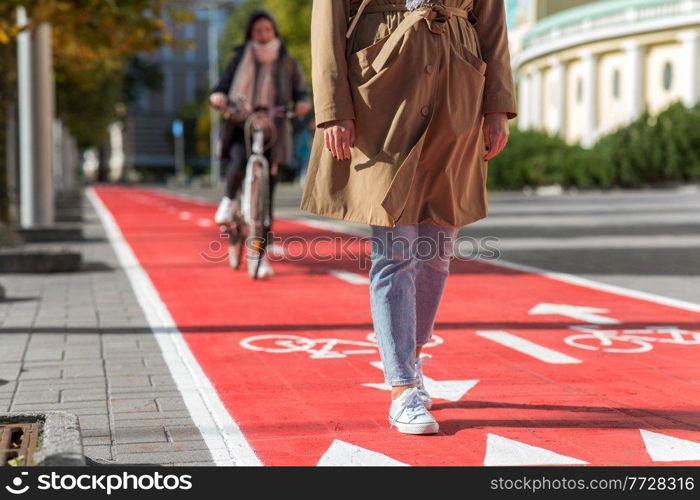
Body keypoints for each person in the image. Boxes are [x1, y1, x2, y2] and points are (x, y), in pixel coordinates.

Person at [301, 0, 517, 434]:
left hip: (457, 88)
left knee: (437, 249)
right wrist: (333, 108)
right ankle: (401, 388)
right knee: (396, 248)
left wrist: (497, 106)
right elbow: (327, 22)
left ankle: (413, 361)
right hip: (380, 93)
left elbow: (492, 23)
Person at [209, 9, 312, 277]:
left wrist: (302, 103)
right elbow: (221, 86)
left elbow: (301, 90)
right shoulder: (240, 58)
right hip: (241, 122)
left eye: (268, 30)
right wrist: (219, 96)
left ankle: (259, 256)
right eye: (258, 31)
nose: (263, 35)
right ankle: (229, 204)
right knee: (238, 160)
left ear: (274, 32)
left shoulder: (287, 62)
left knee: (266, 204)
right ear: (250, 34)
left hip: (274, 129)